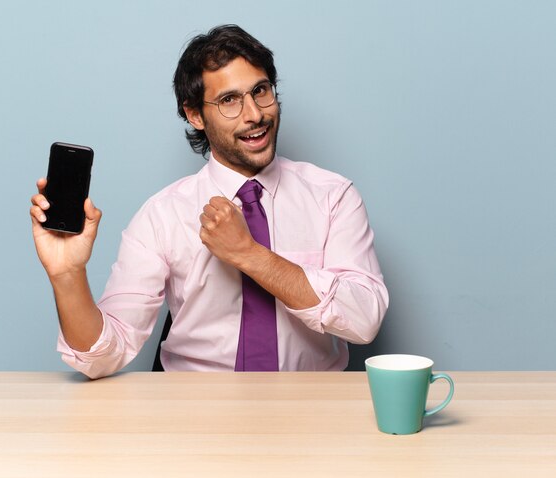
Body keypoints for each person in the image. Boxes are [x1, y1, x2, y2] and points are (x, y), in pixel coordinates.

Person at [30, 24, 388, 377]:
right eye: (229, 100)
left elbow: (364, 321)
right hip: (195, 415)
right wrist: (68, 275)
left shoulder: (333, 196)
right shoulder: (162, 216)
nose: (255, 114)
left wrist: (249, 255)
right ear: (195, 115)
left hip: (313, 411)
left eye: (261, 91)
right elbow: (101, 358)